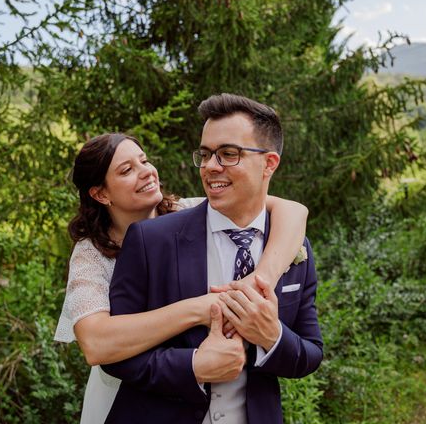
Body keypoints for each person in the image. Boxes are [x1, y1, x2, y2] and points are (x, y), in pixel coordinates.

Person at [54, 132, 309, 423]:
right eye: (127, 170)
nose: (146, 172)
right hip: (128, 393)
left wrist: (259, 279)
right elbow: (96, 343)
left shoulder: (189, 211)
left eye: (144, 161)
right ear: (101, 194)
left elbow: (293, 211)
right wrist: (201, 309)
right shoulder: (91, 254)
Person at [101, 94, 323, 423]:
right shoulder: (151, 240)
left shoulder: (294, 247)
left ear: (269, 163)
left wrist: (271, 336)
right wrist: (192, 365)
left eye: (228, 154)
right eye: (205, 154)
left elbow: (310, 353)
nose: (210, 166)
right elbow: (115, 355)